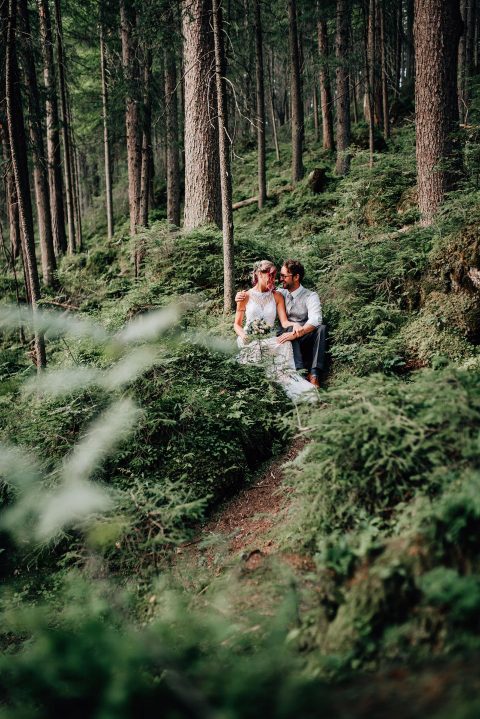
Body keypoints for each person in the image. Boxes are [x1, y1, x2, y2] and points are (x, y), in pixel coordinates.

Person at [233, 260, 317, 402]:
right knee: (253, 349)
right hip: (249, 337)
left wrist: (295, 325)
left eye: (274, 276)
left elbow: (284, 322)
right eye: (270, 276)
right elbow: (236, 324)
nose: (273, 279)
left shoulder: (277, 296)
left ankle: (290, 380)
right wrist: (243, 335)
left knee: (284, 344)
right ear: (260, 274)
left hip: (269, 338)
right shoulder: (245, 296)